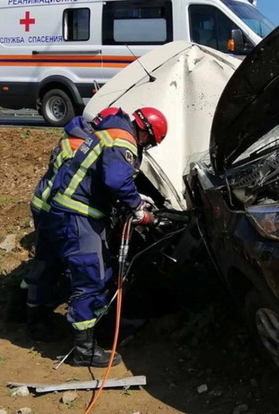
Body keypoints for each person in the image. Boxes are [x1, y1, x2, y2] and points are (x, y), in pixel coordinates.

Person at [38, 107, 168, 367]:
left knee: (102, 270)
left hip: (74, 212)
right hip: (78, 215)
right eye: (149, 142)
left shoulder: (109, 131)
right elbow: (117, 180)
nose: (145, 146)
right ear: (145, 131)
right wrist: (138, 208)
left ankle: (97, 332)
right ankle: (84, 350)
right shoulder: (123, 138)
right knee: (91, 276)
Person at [22, 107, 124, 341]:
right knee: (81, 270)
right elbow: (83, 185)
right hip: (59, 212)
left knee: (45, 264)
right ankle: (77, 337)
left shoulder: (75, 139)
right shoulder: (79, 147)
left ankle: (26, 313)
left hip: (47, 207)